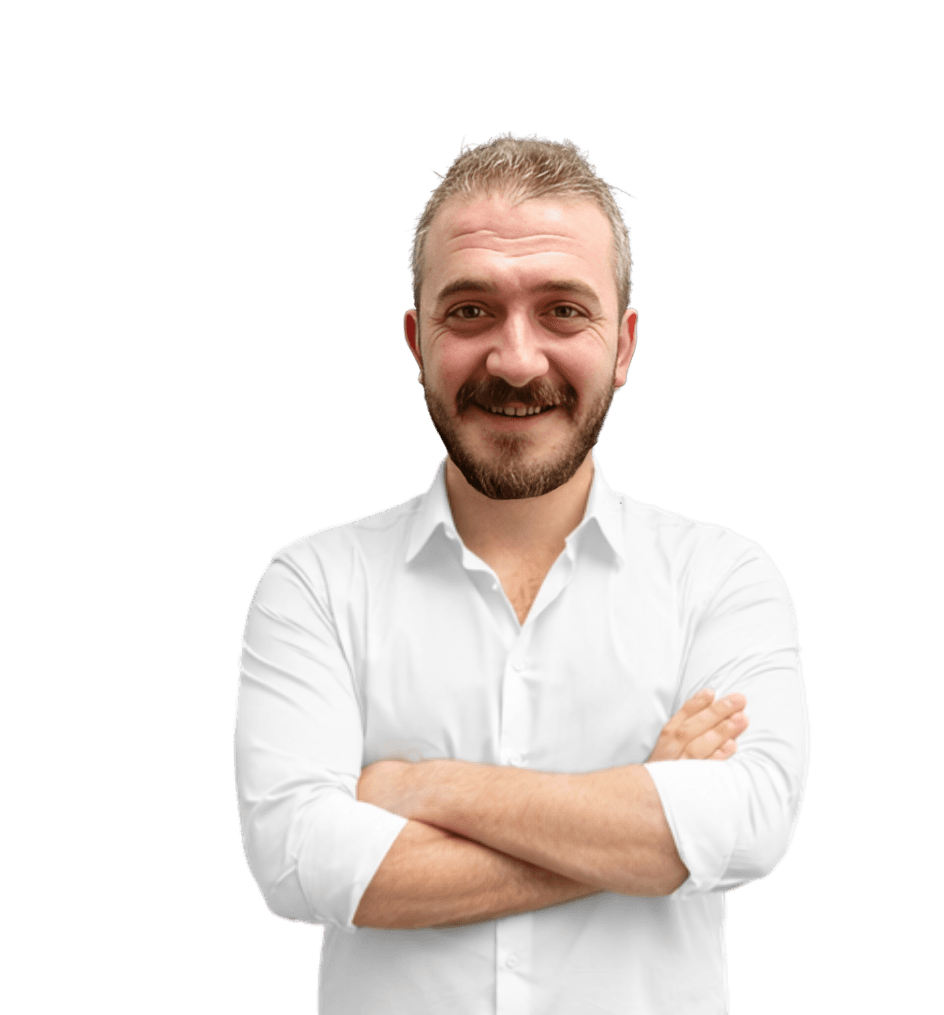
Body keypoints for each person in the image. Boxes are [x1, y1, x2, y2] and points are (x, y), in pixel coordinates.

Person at [234, 132, 810, 1014]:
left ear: (623, 346)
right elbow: (297, 863)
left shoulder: (722, 577)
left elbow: (748, 826)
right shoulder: (313, 583)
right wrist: (640, 822)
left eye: (562, 311)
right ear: (416, 342)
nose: (516, 360)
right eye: (470, 310)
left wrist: (418, 786)